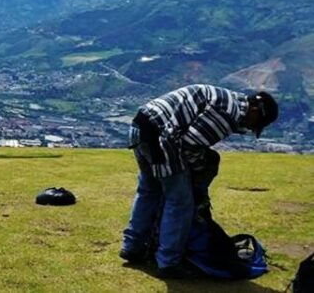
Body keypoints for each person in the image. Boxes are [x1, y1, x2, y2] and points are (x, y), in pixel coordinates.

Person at [119, 84, 278, 278]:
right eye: (256, 123)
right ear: (255, 110)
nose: (251, 128)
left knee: (149, 190)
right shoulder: (228, 114)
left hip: (139, 127)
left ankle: (132, 247)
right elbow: (190, 146)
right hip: (161, 138)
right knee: (179, 202)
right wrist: (198, 173)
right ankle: (168, 263)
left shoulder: (227, 99)